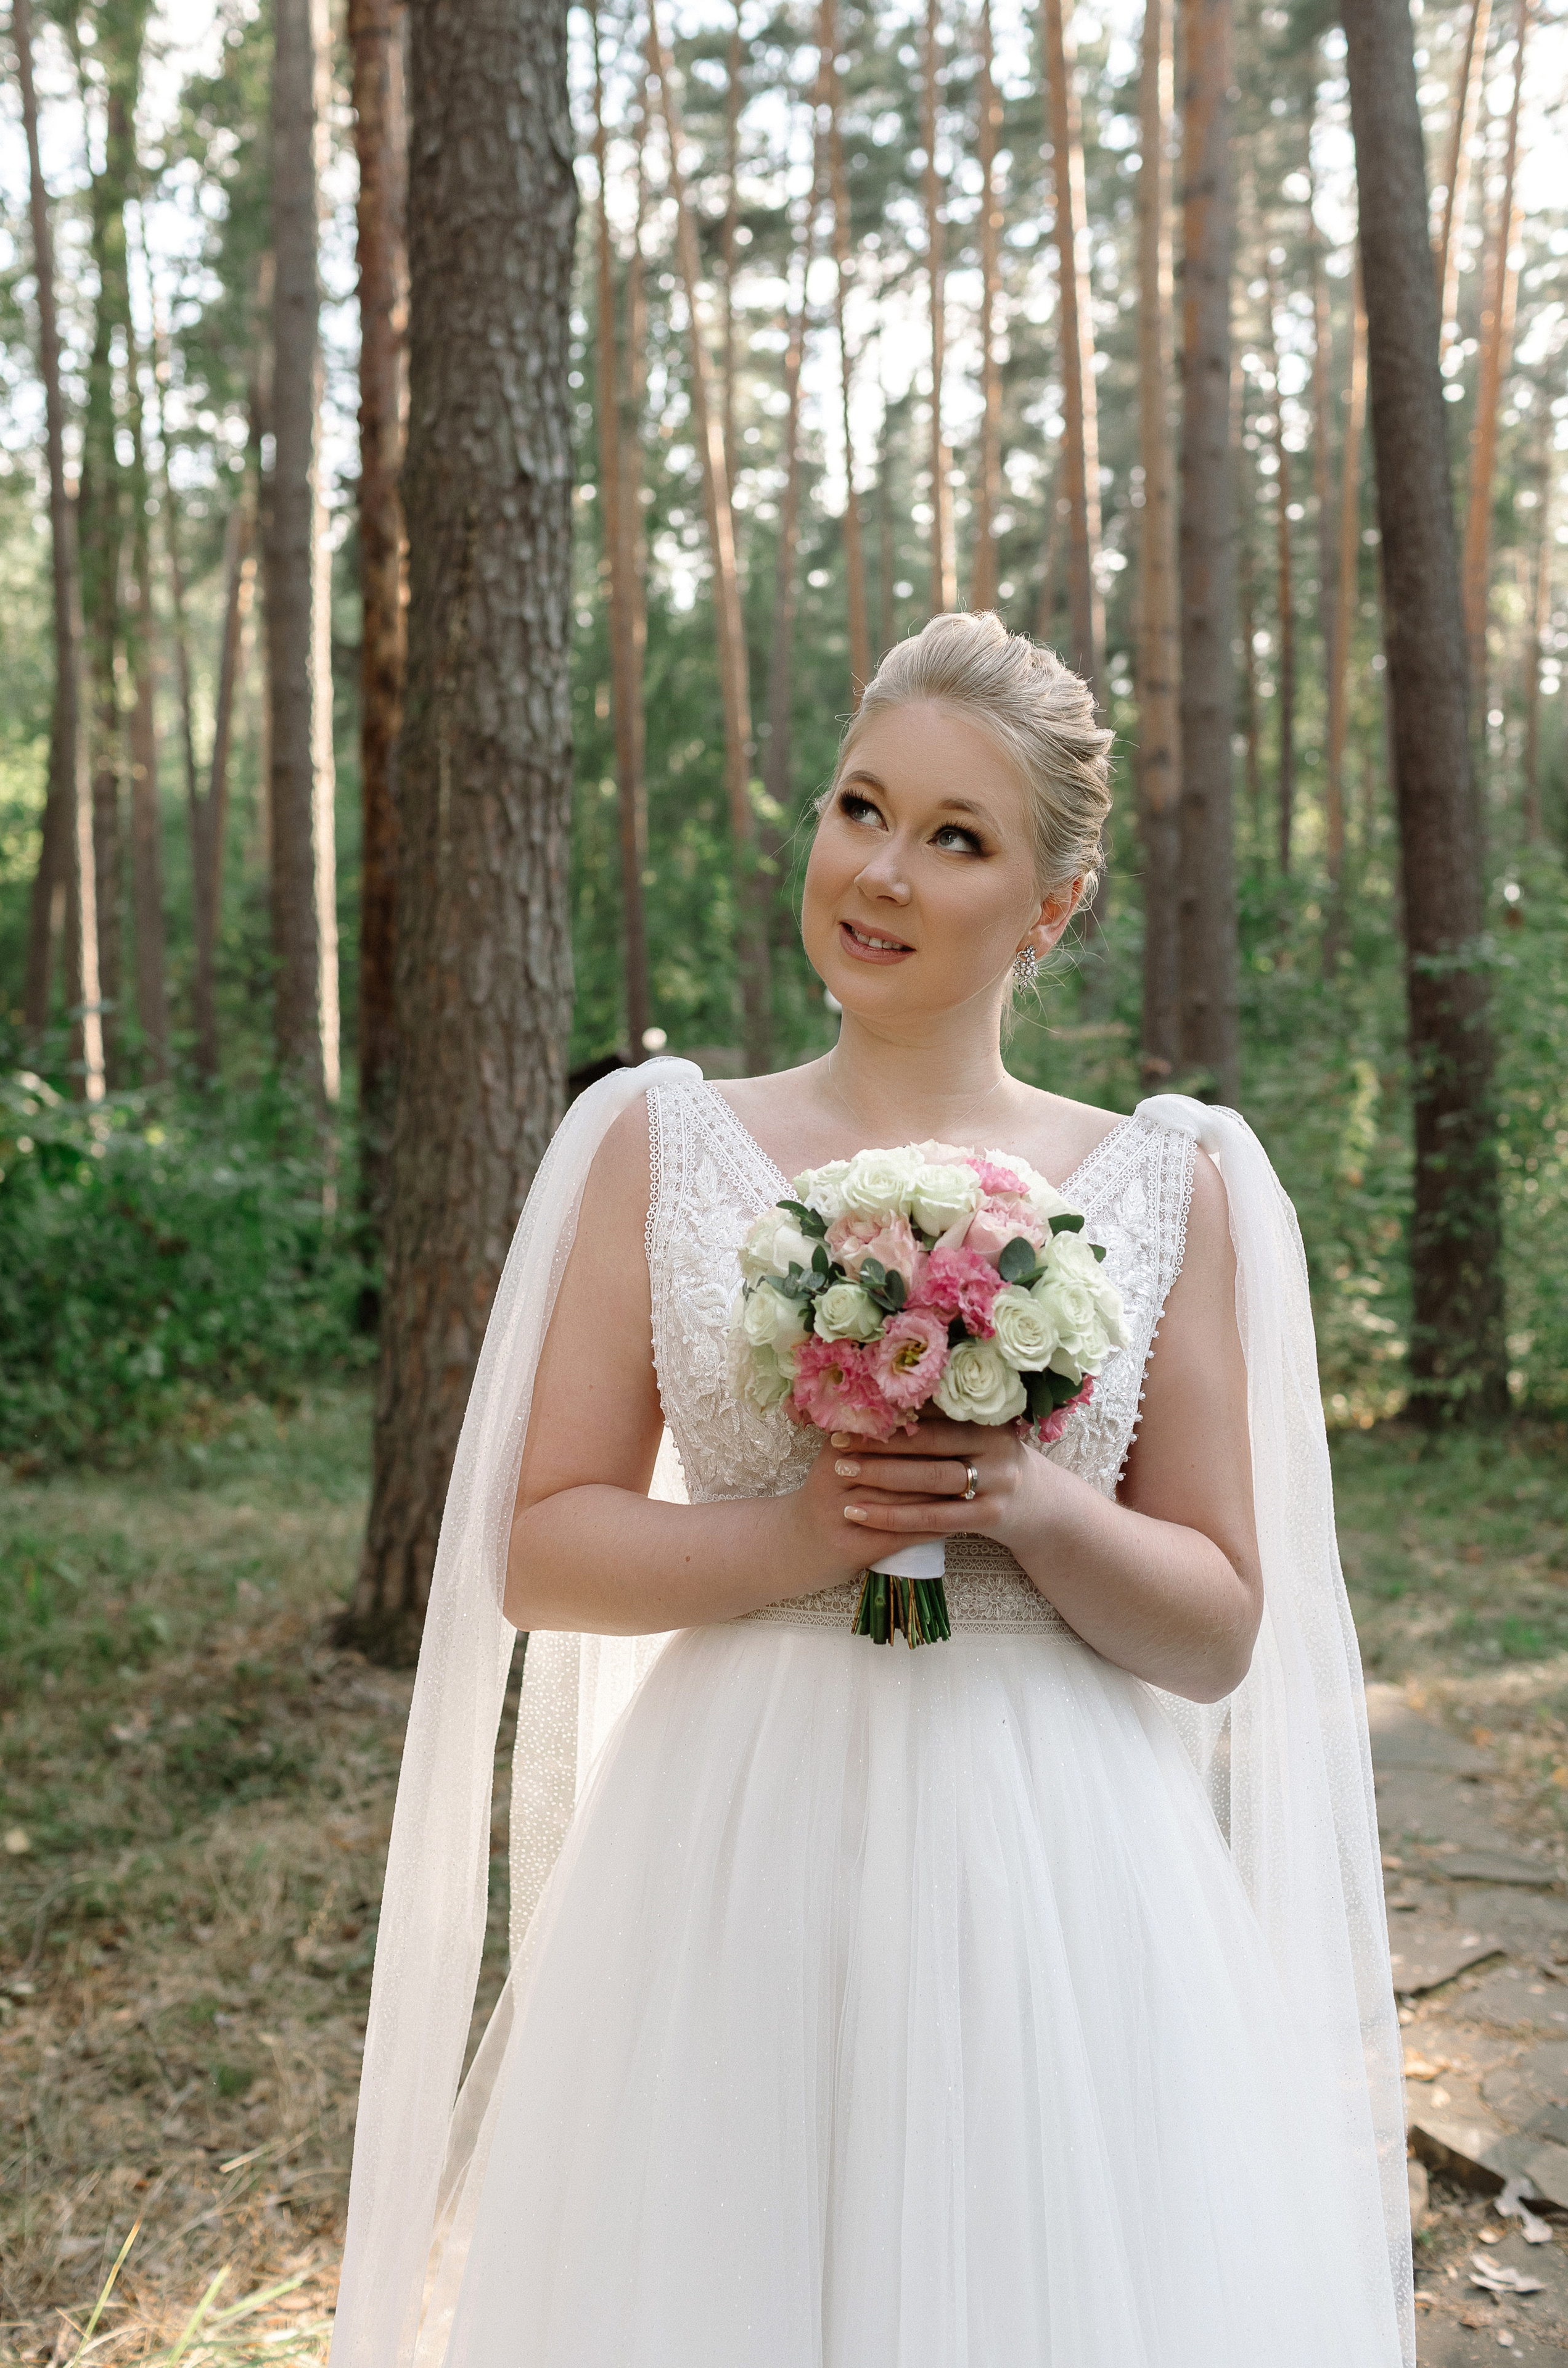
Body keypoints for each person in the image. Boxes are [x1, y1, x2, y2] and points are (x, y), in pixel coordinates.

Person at [332, 614, 1412, 2367]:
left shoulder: (1167, 1183)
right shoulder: (654, 1144)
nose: (881, 871)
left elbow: (1218, 1629)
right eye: (859, 808)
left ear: (1049, 907)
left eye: (957, 838)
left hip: (1054, 1875)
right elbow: (537, 1548)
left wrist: (1024, 1501)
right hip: (734, 1843)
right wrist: (793, 1536)